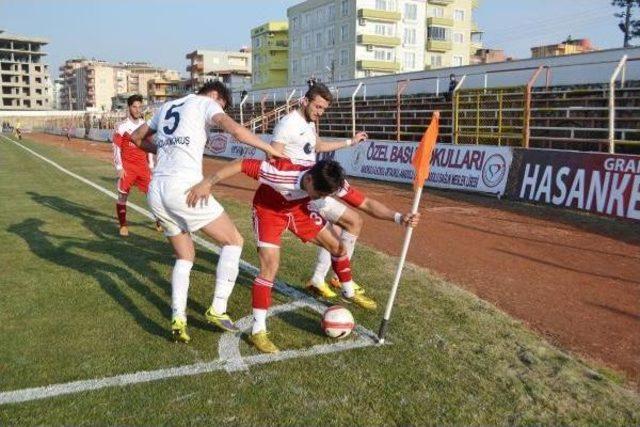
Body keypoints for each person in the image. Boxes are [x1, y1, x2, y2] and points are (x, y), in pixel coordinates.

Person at [130, 81, 285, 343]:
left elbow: (136, 138)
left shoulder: (167, 105)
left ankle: (178, 317)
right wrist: (269, 149)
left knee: (185, 256)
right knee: (234, 240)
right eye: (222, 105)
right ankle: (218, 308)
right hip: (183, 188)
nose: (219, 111)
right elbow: (235, 130)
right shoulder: (206, 103)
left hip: (157, 190)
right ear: (216, 96)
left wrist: (167, 149)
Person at [205, 157, 376, 353]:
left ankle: (349, 292)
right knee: (270, 267)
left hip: (298, 210)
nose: (321, 198)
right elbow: (241, 164)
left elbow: (366, 204)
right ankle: (258, 330)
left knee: (337, 247)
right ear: (309, 180)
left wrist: (399, 218)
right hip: (269, 211)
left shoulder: (328, 180)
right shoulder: (280, 174)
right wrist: (207, 183)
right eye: (319, 194)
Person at [268, 82, 372, 300]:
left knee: (347, 224)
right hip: (300, 191)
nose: (320, 112)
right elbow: (272, 158)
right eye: (317, 107)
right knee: (351, 222)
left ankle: (325, 278)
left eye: (323, 109)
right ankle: (339, 280)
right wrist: (289, 183)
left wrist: (349, 142)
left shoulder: (309, 123)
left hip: (313, 189)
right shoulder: (287, 124)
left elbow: (318, 147)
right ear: (305, 101)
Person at [112, 94, 157, 237]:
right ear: (129, 108)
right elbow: (116, 147)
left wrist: (151, 165)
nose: (137, 110)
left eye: (140, 107)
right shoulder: (121, 126)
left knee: (154, 195)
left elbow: (149, 147)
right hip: (128, 167)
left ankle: (159, 221)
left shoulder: (146, 126)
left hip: (143, 167)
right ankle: (123, 225)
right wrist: (119, 167)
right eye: (134, 107)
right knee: (122, 196)